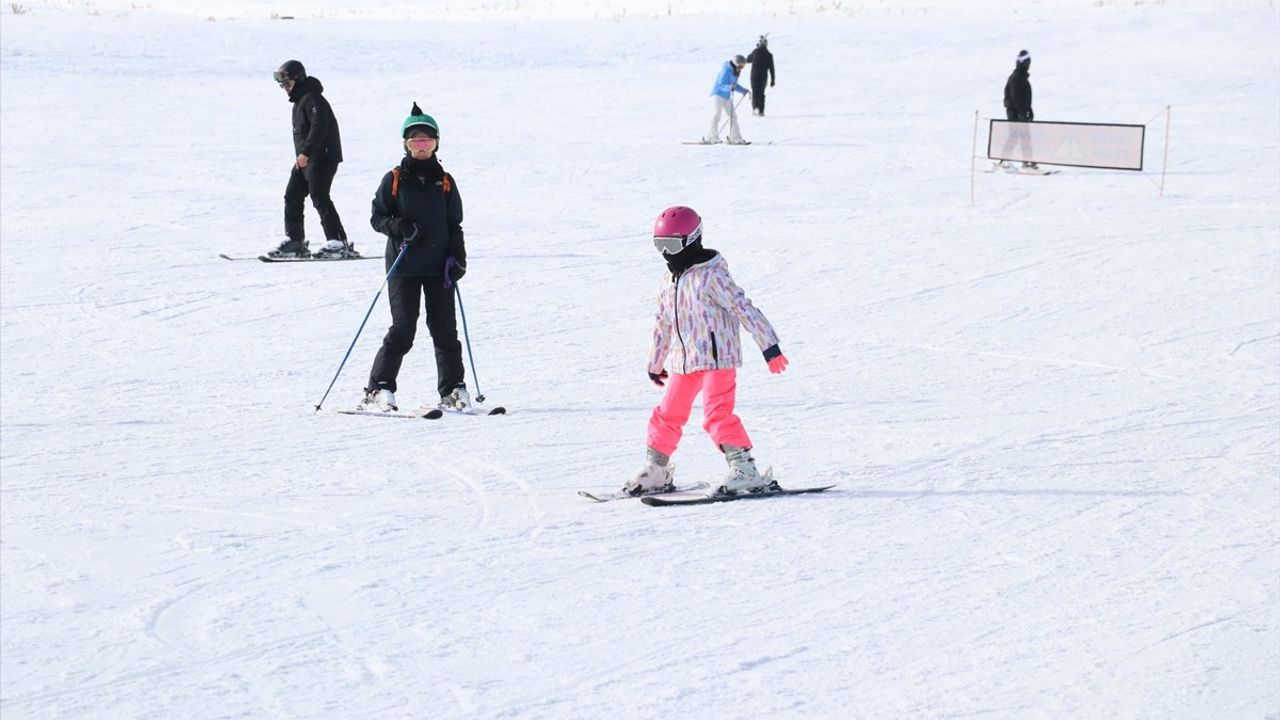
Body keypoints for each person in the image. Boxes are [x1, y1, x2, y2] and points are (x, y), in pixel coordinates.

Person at [623, 206, 790, 497]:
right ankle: (656, 469)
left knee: (717, 414)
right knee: (667, 414)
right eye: (659, 245)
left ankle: (745, 468)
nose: (665, 253)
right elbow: (662, 323)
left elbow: (742, 307)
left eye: (671, 245)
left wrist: (769, 346)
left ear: (691, 241)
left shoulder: (712, 276)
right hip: (682, 361)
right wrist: (656, 361)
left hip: (717, 358)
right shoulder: (668, 281)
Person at [360, 103, 469, 412]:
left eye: (427, 141)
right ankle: (379, 388)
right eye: (415, 141)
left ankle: (453, 388)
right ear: (405, 145)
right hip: (403, 266)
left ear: (436, 143)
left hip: (439, 269)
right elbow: (377, 218)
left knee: (445, 330)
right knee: (403, 330)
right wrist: (400, 227)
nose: (421, 147)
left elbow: (454, 225)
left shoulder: (445, 181)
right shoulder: (394, 179)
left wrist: (457, 259)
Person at [270, 60, 351, 259]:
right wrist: (303, 156)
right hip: (307, 159)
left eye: (287, 84)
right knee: (292, 196)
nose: (285, 89)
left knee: (319, 196)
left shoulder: (313, 99)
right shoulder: (300, 101)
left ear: (298, 79)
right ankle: (295, 241)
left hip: (322, 157)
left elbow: (319, 126)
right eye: (283, 86)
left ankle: (338, 241)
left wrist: (306, 153)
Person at [998, 49, 1038, 170]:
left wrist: (1028, 111)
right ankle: (1005, 161)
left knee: (1023, 136)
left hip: (1019, 112)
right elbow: (1015, 97)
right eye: (1027, 61)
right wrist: (1021, 112)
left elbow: (1023, 97)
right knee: (1016, 136)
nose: (1029, 63)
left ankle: (1026, 161)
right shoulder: (1017, 77)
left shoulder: (1020, 76)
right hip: (1015, 113)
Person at [704, 55, 750, 145]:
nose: (741, 69)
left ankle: (735, 138)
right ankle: (711, 137)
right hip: (718, 94)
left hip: (726, 96)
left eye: (743, 67)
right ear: (735, 64)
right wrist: (729, 87)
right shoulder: (726, 70)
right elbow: (721, 84)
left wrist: (744, 90)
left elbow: (734, 85)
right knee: (717, 114)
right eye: (740, 66)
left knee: (733, 116)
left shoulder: (735, 72)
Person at [745, 35, 775, 116]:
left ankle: (755, 109)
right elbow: (771, 69)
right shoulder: (769, 55)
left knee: (755, 93)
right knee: (761, 93)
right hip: (763, 78)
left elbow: (747, 59)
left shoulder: (755, 52)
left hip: (754, 77)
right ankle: (761, 111)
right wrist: (773, 80)